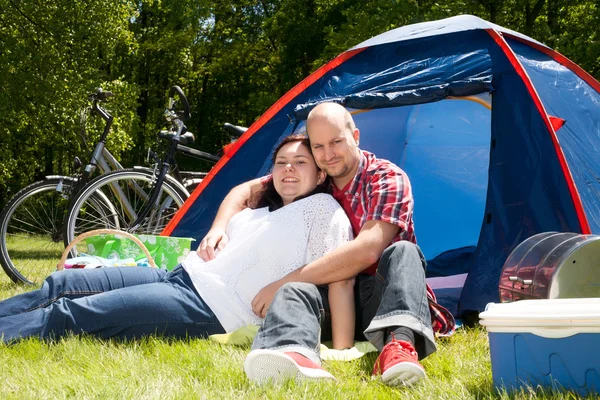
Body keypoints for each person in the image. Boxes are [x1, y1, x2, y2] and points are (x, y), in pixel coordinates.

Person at [0, 135, 354, 346]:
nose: (288, 168)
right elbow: (241, 191)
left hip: (211, 306)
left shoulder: (322, 209)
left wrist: (341, 346)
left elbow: (339, 274)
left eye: (300, 162)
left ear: (321, 173)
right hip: (177, 275)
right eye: (281, 162)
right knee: (64, 283)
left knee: (72, 314)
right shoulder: (266, 205)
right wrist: (219, 227)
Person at [198, 102, 454, 387]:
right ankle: (292, 352)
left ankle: (398, 347)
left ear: (355, 137)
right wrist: (218, 227)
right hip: (333, 297)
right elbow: (246, 190)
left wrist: (283, 280)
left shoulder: (386, 178)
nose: (328, 154)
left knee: (403, 251)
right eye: (318, 146)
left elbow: (368, 249)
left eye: (336, 142)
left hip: (382, 297)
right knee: (296, 291)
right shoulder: (318, 177)